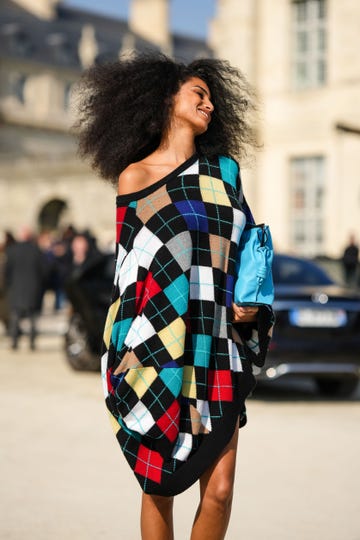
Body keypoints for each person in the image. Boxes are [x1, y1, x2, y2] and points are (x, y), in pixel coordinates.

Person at [75, 52, 274, 540]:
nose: (208, 105)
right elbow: (132, 271)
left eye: (211, 97)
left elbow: (248, 245)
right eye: (197, 94)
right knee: (157, 484)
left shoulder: (225, 172)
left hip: (220, 341)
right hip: (158, 343)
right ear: (166, 97)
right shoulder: (135, 178)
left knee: (221, 488)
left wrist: (252, 301)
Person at [5, 226, 47, 350]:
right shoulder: (36, 250)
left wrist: (10, 284)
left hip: (16, 288)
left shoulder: (11, 250)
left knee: (15, 317)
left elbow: (7, 271)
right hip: (33, 288)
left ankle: (14, 341)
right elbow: (43, 270)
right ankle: (32, 342)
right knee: (33, 318)